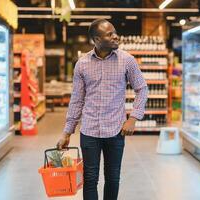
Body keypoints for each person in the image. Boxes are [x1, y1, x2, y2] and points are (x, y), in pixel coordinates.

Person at [57, 19, 148, 200]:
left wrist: (133, 118)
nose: (116, 36)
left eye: (114, 32)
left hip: (115, 131)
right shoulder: (82, 64)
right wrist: (67, 132)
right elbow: (77, 99)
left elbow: (142, 88)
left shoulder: (127, 60)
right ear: (97, 40)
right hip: (89, 130)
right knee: (90, 179)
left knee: (113, 178)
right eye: (109, 34)